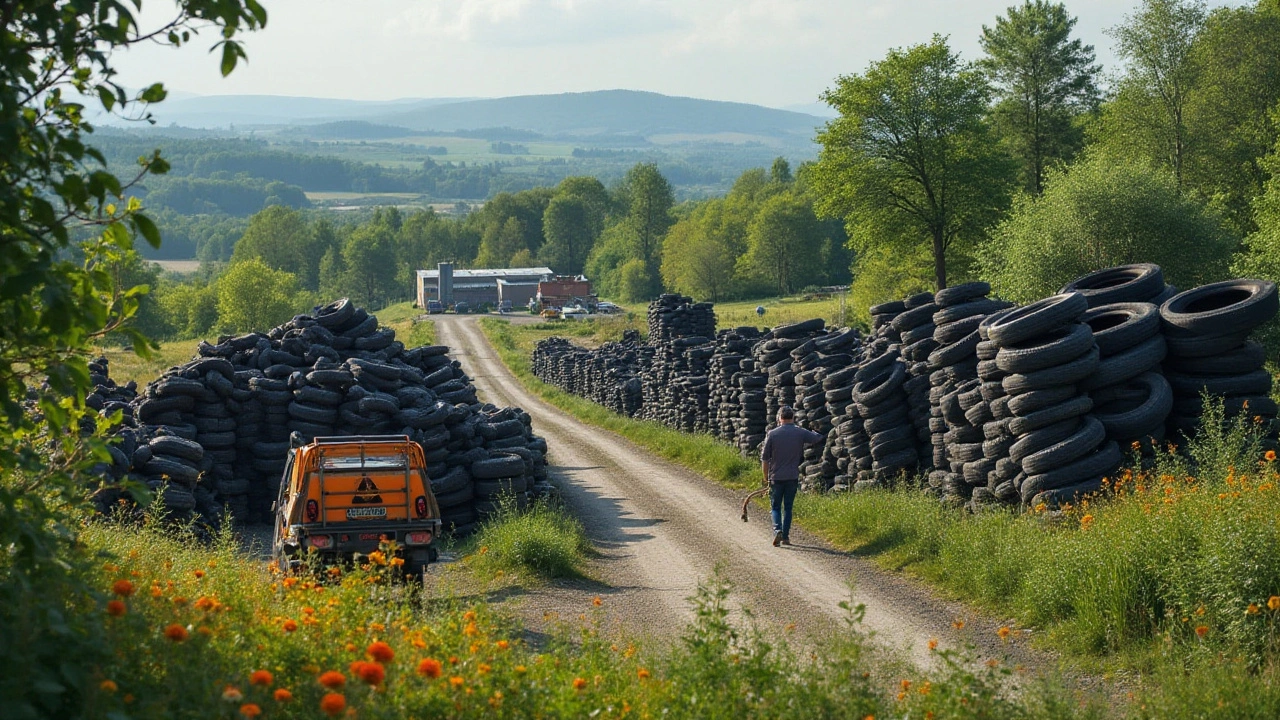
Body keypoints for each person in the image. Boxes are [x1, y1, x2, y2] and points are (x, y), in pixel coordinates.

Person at [759, 406, 824, 546]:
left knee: (775, 506)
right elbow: (816, 438)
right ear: (793, 418)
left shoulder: (772, 434)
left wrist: (765, 477)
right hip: (792, 476)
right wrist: (815, 428)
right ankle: (786, 537)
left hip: (776, 477)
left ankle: (777, 530)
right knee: (788, 507)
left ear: (779, 418)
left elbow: (765, 459)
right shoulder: (799, 432)